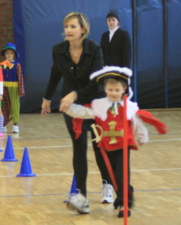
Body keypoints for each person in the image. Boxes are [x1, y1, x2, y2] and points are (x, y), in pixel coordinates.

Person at [62, 66, 167, 217]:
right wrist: (69, 108)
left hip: (122, 146)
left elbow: (137, 122)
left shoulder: (128, 106)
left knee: (121, 175)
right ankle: (124, 196)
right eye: (110, 89)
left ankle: (124, 204)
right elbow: (84, 112)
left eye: (117, 90)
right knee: (110, 176)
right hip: (104, 146)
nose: (113, 93)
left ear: (123, 89)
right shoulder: (99, 105)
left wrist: (142, 136)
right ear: (105, 89)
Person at [41, 12, 112, 214]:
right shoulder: (58, 50)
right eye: (66, 27)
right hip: (71, 107)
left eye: (73, 27)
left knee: (99, 146)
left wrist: (73, 94)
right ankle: (82, 197)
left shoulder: (95, 50)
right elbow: (55, 73)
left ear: (83, 30)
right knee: (79, 148)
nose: (68, 30)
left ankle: (107, 184)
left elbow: (96, 83)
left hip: (95, 104)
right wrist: (47, 98)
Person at [0, 42, 25, 133]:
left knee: (15, 105)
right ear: (4, 54)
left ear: (14, 54)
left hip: (14, 88)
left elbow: (20, 78)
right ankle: (3, 124)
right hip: (3, 87)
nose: (9, 55)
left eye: (11, 53)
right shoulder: (1, 65)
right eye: (7, 53)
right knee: (4, 106)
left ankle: (15, 124)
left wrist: (21, 90)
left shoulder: (17, 65)